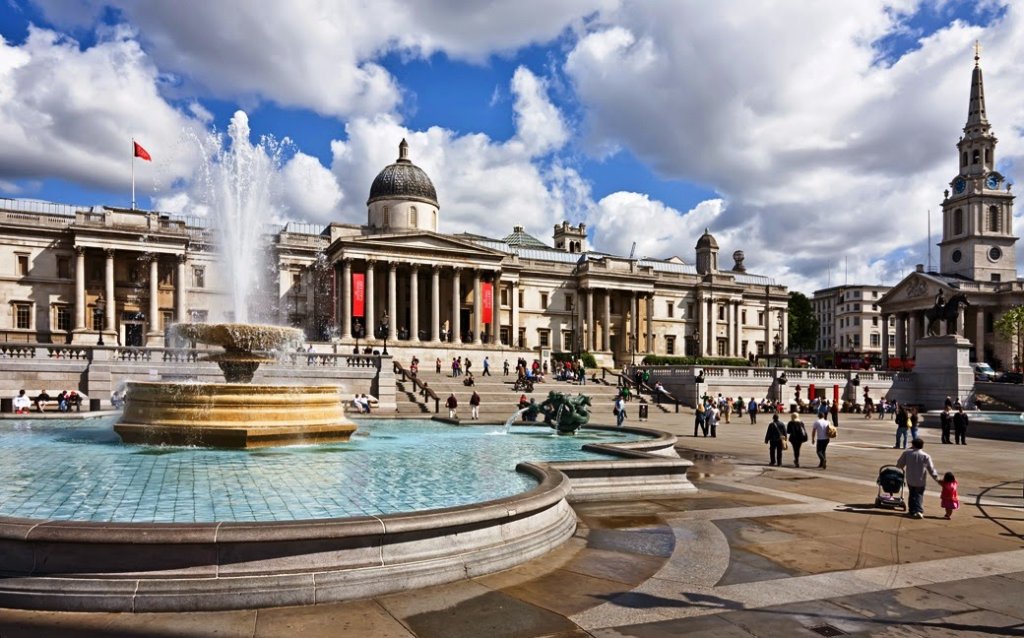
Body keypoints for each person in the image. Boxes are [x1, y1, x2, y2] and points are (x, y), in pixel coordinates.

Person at [897, 438, 940, 519]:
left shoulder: (907, 453)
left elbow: (899, 465)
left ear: (913, 445)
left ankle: (912, 510)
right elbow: (931, 469)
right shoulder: (926, 456)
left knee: (912, 494)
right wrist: (937, 479)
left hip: (910, 478)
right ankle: (919, 510)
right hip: (921, 479)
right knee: (919, 495)